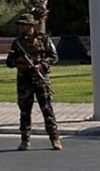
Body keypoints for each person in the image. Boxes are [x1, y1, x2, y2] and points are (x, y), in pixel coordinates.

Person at [5, 13, 62, 151]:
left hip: (40, 78)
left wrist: (41, 65)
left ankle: (54, 138)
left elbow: (54, 56)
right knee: (25, 111)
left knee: (47, 109)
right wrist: (19, 62)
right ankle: (25, 140)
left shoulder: (44, 39)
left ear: (31, 25)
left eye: (23, 24)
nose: (20, 27)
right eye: (19, 24)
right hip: (24, 80)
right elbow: (9, 61)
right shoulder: (17, 43)